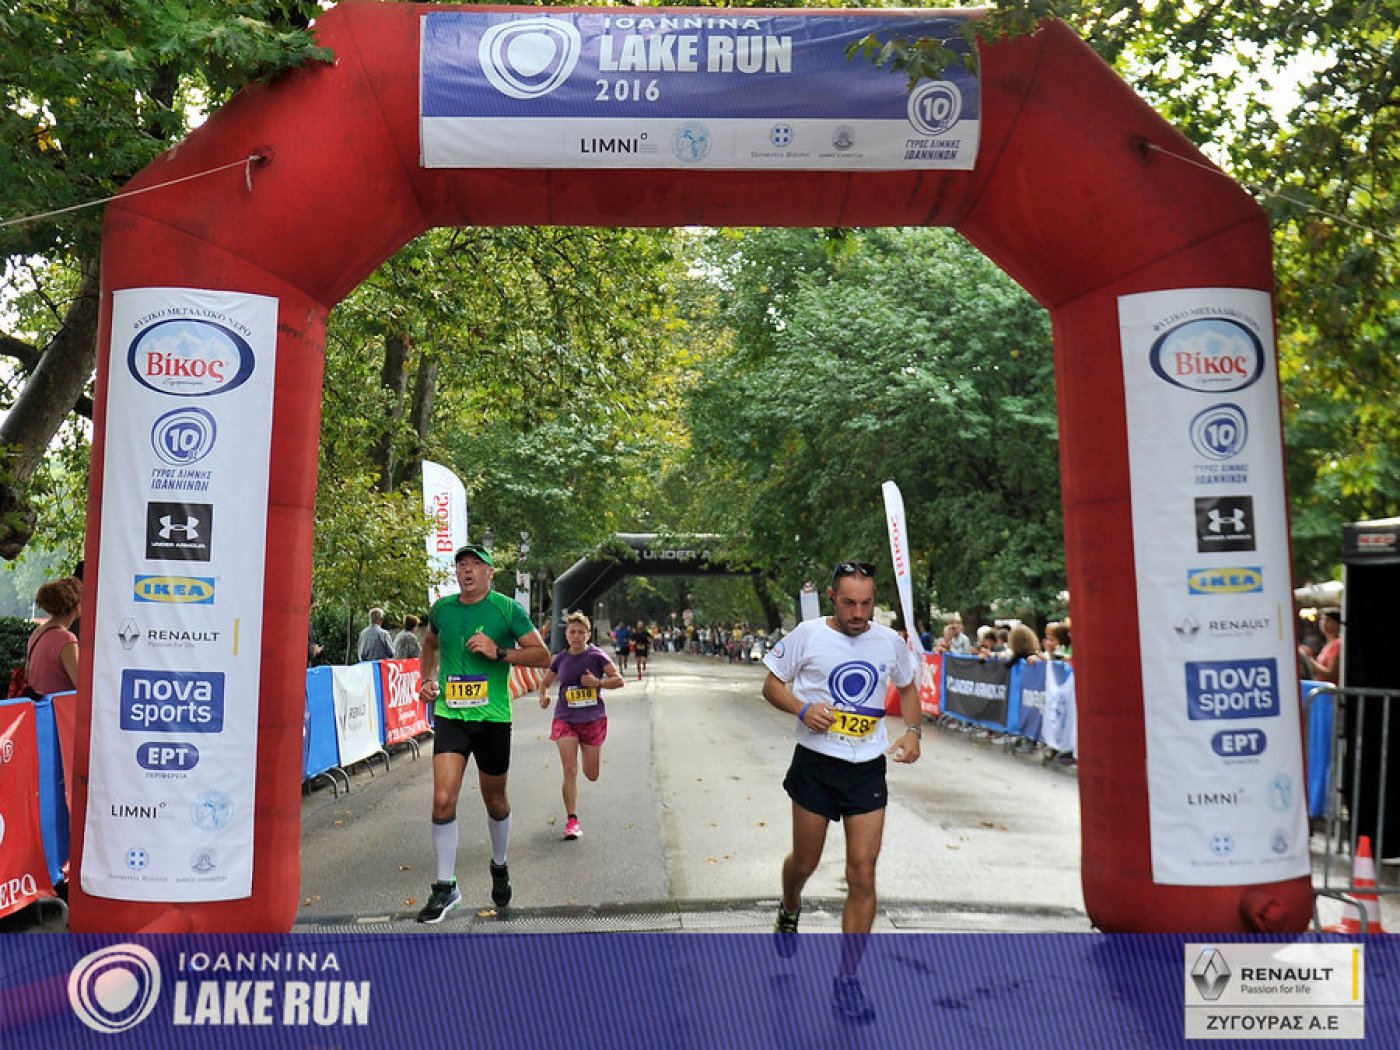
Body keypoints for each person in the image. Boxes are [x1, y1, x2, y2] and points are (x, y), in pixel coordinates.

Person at [762, 560, 922, 1024]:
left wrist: (913, 732)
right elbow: (771, 685)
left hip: (866, 769)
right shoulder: (808, 635)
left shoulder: (888, 642)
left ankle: (847, 979)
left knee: (863, 873)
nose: (858, 613)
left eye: (866, 603)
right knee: (805, 862)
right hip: (815, 765)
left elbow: (908, 689)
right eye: (849, 603)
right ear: (833, 597)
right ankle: (790, 904)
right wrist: (801, 709)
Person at [414, 544, 551, 923]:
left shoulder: (507, 610)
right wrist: (426, 679)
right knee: (443, 799)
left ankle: (500, 863)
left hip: (492, 718)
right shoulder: (442, 609)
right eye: (462, 564)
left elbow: (542, 656)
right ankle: (445, 886)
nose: (468, 570)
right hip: (451, 715)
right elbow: (430, 643)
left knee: (496, 800)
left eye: (476, 564)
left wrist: (499, 652)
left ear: (490, 573)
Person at [537, 611, 623, 840]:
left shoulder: (596, 655)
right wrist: (543, 697)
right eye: (572, 632)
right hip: (565, 718)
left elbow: (618, 680)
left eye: (581, 632)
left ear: (588, 635)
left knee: (591, 774)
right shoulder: (560, 659)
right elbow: (544, 683)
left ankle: (574, 815)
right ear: (566, 635)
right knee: (569, 769)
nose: (576, 636)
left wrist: (598, 683)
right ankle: (572, 820)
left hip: (592, 719)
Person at [27, 577, 82, 697]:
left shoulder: (37, 633)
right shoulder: (66, 639)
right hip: (57, 705)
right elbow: (81, 683)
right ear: (76, 605)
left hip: (38, 702)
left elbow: (28, 674)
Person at [1297, 608, 1341, 684]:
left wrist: (1308, 659)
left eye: (1327, 620)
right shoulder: (1329, 644)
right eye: (1322, 619)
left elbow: (1331, 674)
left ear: (1337, 624)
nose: (1322, 622)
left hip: (1329, 690)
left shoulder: (1337, 644)